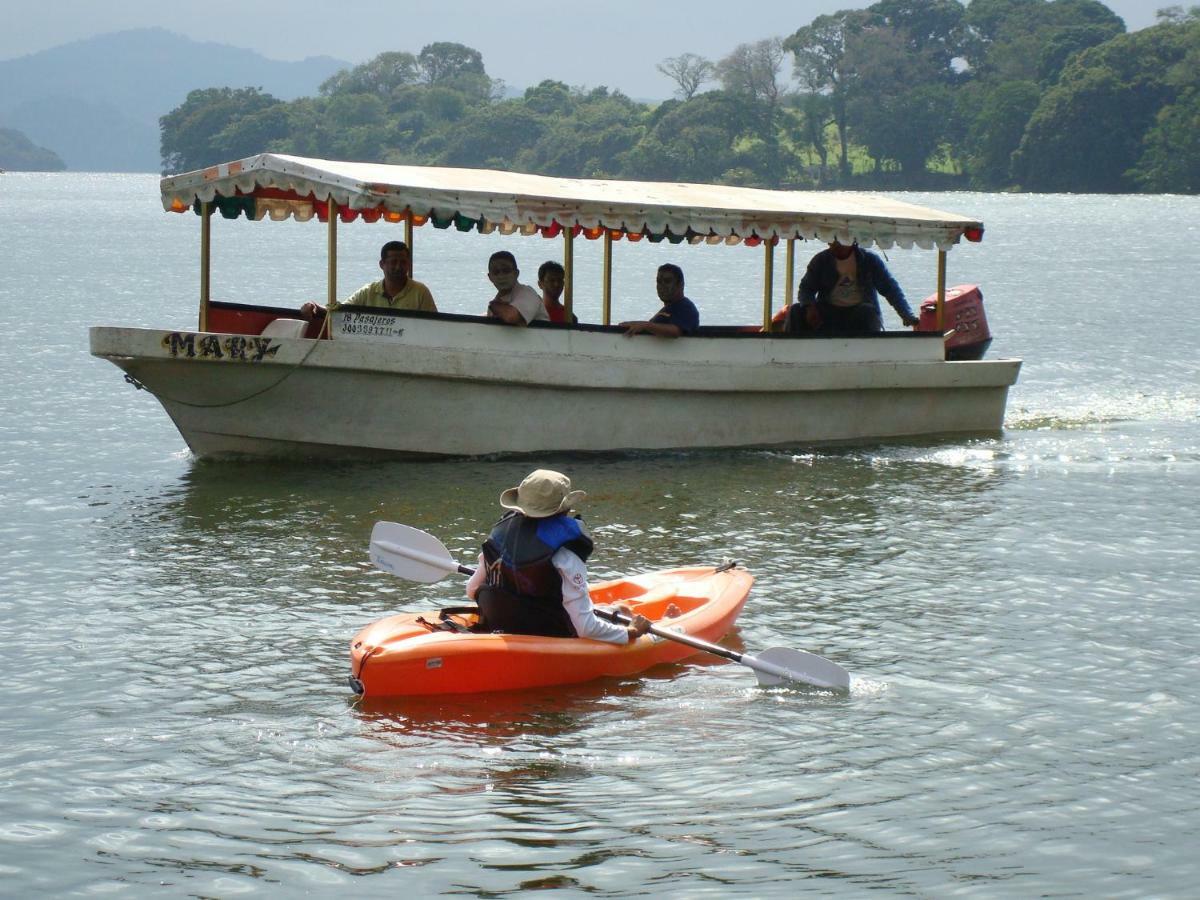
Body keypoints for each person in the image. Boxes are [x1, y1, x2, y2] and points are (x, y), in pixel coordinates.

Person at [464, 469, 652, 643]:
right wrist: (631, 633)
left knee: (616, 610)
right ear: (564, 509)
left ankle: (616, 610)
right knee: (615, 614)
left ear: (520, 506)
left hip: (501, 626)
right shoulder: (565, 553)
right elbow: (585, 628)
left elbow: (472, 589)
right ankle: (644, 615)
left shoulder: (500, 536)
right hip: (549, 634)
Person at [787, 239, 918, 335]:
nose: (835, 245)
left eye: (840, 240)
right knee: (795, 311)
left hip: (858, 312)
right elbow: (805, 289)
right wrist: (810, 306)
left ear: (852, 240)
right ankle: (789, 353)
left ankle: (870, 354)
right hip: (829, 313)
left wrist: (906, 315)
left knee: (868, 312)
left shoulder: (869, 260)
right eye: (832, 241)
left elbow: (890, 289)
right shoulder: (821, 261)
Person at [300, 240, 436, 320]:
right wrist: (314, 306)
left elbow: (435, 325)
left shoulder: (420, 292)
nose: (398, 267)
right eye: (393, 262)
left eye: (403, 262)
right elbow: (340, 311)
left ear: (409, 264)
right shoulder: (368, 291)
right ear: (382, 264)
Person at [620, 263, 699, 337]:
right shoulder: (666, 310)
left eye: (667, 281)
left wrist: (645, 325)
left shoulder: (685, 307)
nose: (662, 286)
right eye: (659, 281)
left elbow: (675, 331)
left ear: (680, 285)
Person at [485, 251, 550, 325]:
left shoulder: (528, 293)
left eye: (506, 270)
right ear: (490, 277)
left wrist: (493, 305)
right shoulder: (496, 303)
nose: (501, 276)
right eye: (496, 272)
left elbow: (511, 317)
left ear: (516, 273)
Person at [537, 260, 577, 324]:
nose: (556, 284)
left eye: (560, 280)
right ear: (540, 284)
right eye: (551, 280)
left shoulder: (570, 317)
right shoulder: (534, 313)